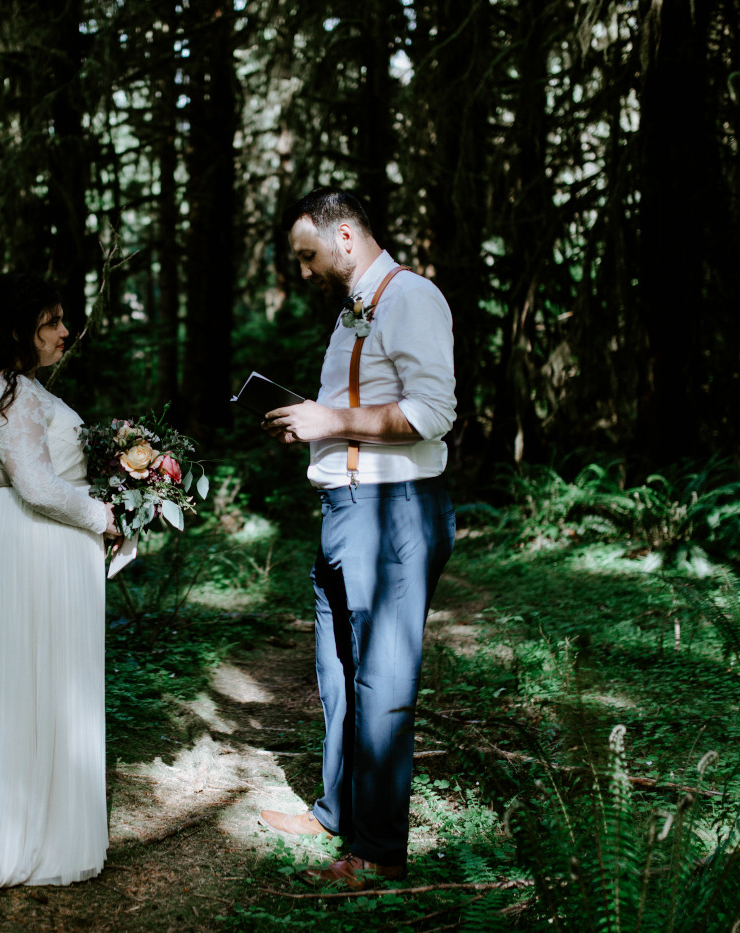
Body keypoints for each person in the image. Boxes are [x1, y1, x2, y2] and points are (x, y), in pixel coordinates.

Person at [258, 187, 457, 889]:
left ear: (345, 239)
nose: (306, 272)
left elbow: (432, 413)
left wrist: (331, 423)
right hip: (343, 507)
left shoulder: (412, 300)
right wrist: (310, 424)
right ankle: (337, 810)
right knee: (338, 672)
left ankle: (379, 850)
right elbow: (353, 408)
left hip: (393, 510)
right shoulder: (351, 315)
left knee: (384, 680)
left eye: (309, 256)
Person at [0, 274, 119, 895]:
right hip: (32, 545)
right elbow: (36, 486)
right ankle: (26, 834)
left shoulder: (21, 389)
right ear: (19, 331)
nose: (65, 331)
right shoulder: (12, 390)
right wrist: (105, 513)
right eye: (51, 322)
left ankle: (38, 819)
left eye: (64, 319)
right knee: (32, 680)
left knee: (41, 681)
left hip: (36, 545)